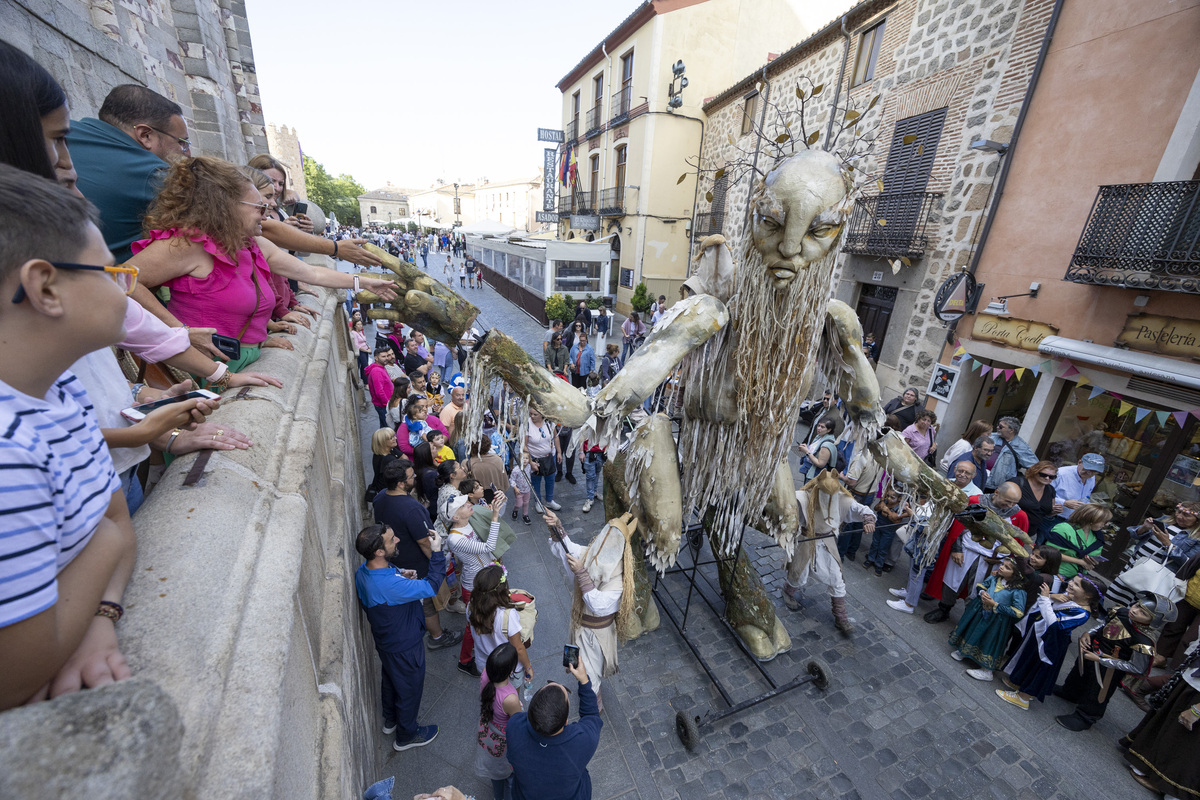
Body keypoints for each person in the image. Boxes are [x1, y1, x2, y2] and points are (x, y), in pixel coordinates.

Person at [0, 166, 152, 710]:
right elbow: (15, 672)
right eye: (110, 272)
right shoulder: (8, 451)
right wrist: (105, 543)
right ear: (45, 287)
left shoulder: (60, 388)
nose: (123, 286)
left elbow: (119, 526)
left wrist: (99, 615)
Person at [126, 157, 396, 370]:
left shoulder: (250, 244)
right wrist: (180, 332)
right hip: (204, 367)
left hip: (242, 359)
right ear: (226, 206)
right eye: (259, 206)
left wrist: (364, 282)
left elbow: (311, 272)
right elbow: (123, 279)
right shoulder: (187, 245)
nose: (267, 214)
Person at [354, 522, 446, 750]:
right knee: (410, 689)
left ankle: (391, 719)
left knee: (391, 679)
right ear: (379, 552)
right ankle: (407, 735)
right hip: (405, 646)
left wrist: (400, 575)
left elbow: (380, 592)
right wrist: (437, 552)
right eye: (391, 539)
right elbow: (432, 586)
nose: (397, 541)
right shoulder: (388, 584)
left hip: (387, 642)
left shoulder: (363, 572)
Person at [543, 509, 635, 708]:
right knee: (576, 665)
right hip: (578, 625)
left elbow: (598, 605)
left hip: (596, 635)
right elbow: (569, 549)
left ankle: (594, 706)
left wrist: (582, 574)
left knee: (591, 674)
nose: (606, 543)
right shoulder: (592, 554)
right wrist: (556, 526)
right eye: (606, 535)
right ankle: (587, 688)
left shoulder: (620, 579)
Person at [372, 460, 461, 650]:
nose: (415, 478)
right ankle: (437, 637)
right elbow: (424, 541)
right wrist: (437, 564)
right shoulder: (411, 508)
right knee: (427, 603)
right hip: (416, 564)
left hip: (395, 561)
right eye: (412, 476)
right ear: (401, 484)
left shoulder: (380, 497)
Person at [1054, 591, 1170, 731]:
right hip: (1092, 650)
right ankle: (1070, 692)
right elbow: (1105, 626)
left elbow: (1137, 667)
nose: (1135, 611)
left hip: (1109, 669)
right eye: (1137, 606)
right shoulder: (1122, 613)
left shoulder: (1143, 640)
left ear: (1154, 621)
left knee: (1097, 691)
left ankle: (1085, 717)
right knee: (1078, 673)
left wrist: (1100, 660)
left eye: (1143, 613)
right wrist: (1088, 634)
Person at [783, 470, 876, 633]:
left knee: (836, 578)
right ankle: (788, 592)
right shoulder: (802, 497)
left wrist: (869, 520)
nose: (829, 497)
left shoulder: (841, 497)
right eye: (825, 493)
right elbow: (785, 514)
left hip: (827, 542)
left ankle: (841, 618)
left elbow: (863, 510)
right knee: (798, 573)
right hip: (806, 540)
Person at [922, 483, 1028, 624]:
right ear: (996, 492)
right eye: (1008, 501)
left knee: (979, 590)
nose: (1010, 506)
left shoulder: (1019, 516)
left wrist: (1004, 562)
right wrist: (957, 549)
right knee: (951, 582)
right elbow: (957, 526)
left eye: (1014, 503)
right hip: (966, 551)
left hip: (992, 560)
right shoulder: (974, 502)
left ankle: (967, 621)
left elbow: (1017, 545)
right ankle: (944, 609)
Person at [996, 575, 1102, 710]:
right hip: (1042, 635)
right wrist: (1052, 597)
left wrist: (1046, 598)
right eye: (1072, 581)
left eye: (1076, 584)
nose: (1070, 584)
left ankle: (1023, 698)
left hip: (1052, 644)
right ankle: (1020, 683)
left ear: (1087, 595)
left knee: (1039, 668)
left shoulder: (1081, 613)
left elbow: (1053, 623)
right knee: (1030, 660)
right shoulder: (1071, 597)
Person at [506, 657, 601, 800]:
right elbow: (592, 716)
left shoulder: (514, 727)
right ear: (566, 721)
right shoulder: (583, 743)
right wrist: (584, 680)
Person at [1120, 639, 1200, 797]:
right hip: (1192, 680)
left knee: (1186, 743)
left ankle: (1169, 785)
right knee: (1170, 730)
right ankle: (1153, 771)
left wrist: (1197, 710)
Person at [447, 494, 506, 677]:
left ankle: (485, 644)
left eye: (466, 502)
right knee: (473, 624)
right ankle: (464, 661)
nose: (468, 504)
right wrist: (494, 516)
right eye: (463, 505)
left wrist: (496, 506)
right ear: (456, 517)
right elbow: (488, 546)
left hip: (487, 576)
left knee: (483, 619)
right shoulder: (455, 539)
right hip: (475, 585)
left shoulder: (469, 520)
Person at [1108, 501, 1200, 609]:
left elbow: (1188, 563)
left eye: (1186, 515)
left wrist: (1168, 545)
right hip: (1135, 564)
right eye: (1178, 512)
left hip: (1155, 574)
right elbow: (1134, 534)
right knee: (1115, 594)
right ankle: (1107, 617)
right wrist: (1144, 527)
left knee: (1134, 604)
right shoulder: (1165, 520)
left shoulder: (1196, 538)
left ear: (1197, 520)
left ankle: (1120, 623)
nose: (1179, 516)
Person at [947, 558, 1027, 682]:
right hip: (980, 612)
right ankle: (964, 651)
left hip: (996, 621)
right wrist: (983, 593)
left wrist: (995, 604)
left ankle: (987, 671)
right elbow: (981, 585)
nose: (1001, 567)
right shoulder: (995, 578)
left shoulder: (1018, 591)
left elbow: (1018, 612)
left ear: (1015, 574)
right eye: (1002, 564)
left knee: (989, 640)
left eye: (1007, 567)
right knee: (973, 630)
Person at [476, 643, 522, 800]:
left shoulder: (484, 675)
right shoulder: (510, 698)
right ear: (510, 672)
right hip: (503, 740)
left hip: (489, 731)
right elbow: (518, 724)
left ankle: (497, 796)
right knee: (510, 776)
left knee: (496, 775)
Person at [838, 445, 885, 562]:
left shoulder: (863, 456)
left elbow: (852, 482)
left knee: (847, 523)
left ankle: (840, 554)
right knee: (860, 522)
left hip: (856, 493)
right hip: (870, 494)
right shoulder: (883, 458)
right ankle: (852, 551)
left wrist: (841, 477)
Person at [1045, 503, 1110, 581]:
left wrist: (1093, 562)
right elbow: (1050, 553)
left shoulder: (1098, 536)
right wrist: (1080, 562)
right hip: (1057, 574)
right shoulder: (1063, 528)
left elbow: (1097, 556)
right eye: (1104, 521)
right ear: (1092, 520)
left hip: (1078, 578)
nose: (1106, 525)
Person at [1048, 452, 1106, 527]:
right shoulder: (1061, 474)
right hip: (1052, 517)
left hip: (1071, 520)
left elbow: (1086, 496)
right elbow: (1042, 494)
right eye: (1087, 469)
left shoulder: (1092, 477)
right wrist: (1064, 502)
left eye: (1094, 471)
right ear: (1079, 462)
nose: (1089, 473)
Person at [865, 488, 911, 576]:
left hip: (889, 531)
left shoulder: (900, 508)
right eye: (888, 496)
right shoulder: (885, 502)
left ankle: (879, 564)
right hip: (878, 527)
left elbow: (896, 520)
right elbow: (875, 508)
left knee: (883, 548)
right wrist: (881, 505)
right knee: (875, 543)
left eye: (892, 497)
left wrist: (888, 512)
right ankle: (870, 559)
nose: (889, 499)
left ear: (899, 499)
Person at [985, 416, 1038, 491]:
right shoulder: (991, 437)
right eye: (998, 425)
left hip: (999, 487)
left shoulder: (1021, 446)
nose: (997, 427)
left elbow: (1036, 467)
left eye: (1001, 427)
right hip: (981, 479)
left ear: (1011, 430)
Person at [1015, 460, 1059, 543]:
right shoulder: (1018, 483)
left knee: (1025, 556)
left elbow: (1047, 512)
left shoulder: (1050, 490)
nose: (1047, 478)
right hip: (1011, 529)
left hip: (1030, 534)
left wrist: (1054, 512)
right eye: (1043, 475)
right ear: (1035, 472)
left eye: (1051, 477)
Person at [526, 408, 562, 511]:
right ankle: (538, 502)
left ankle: (549, 501)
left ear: (542, 414)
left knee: (550, 479)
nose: (532, 416)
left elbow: (555, 437)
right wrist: (530, 462)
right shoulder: (527, 424)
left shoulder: (549, 422)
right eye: (531, 414)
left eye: (535, 414)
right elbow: (523, 446)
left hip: (549, 457)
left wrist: (559, 452)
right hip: (535, 458)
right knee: (536, 481)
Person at [796, 418, 837, 482]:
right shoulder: (820, 437)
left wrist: (807, 451)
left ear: (829, 430)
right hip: (808, 469)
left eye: (822, 427)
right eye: (818, 425)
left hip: (815, 475)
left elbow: (820, 463)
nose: (819, 428)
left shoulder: (826, 445)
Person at [366, 427, 402, 500]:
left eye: (394, 435)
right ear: (383, 442)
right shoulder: (389, 460)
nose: (395, 438)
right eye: (391, 438)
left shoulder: (380, 453)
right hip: (388, 491)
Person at [364, 347, 394, 428]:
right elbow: (379, 391)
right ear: (376, 358)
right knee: (388, 429)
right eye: (383, 357)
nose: (386, 358)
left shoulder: (380, 368)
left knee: (384, 428)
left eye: (387, 356)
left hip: (384, 405)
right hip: (383, 406)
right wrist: (388, 404)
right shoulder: (377, 371)